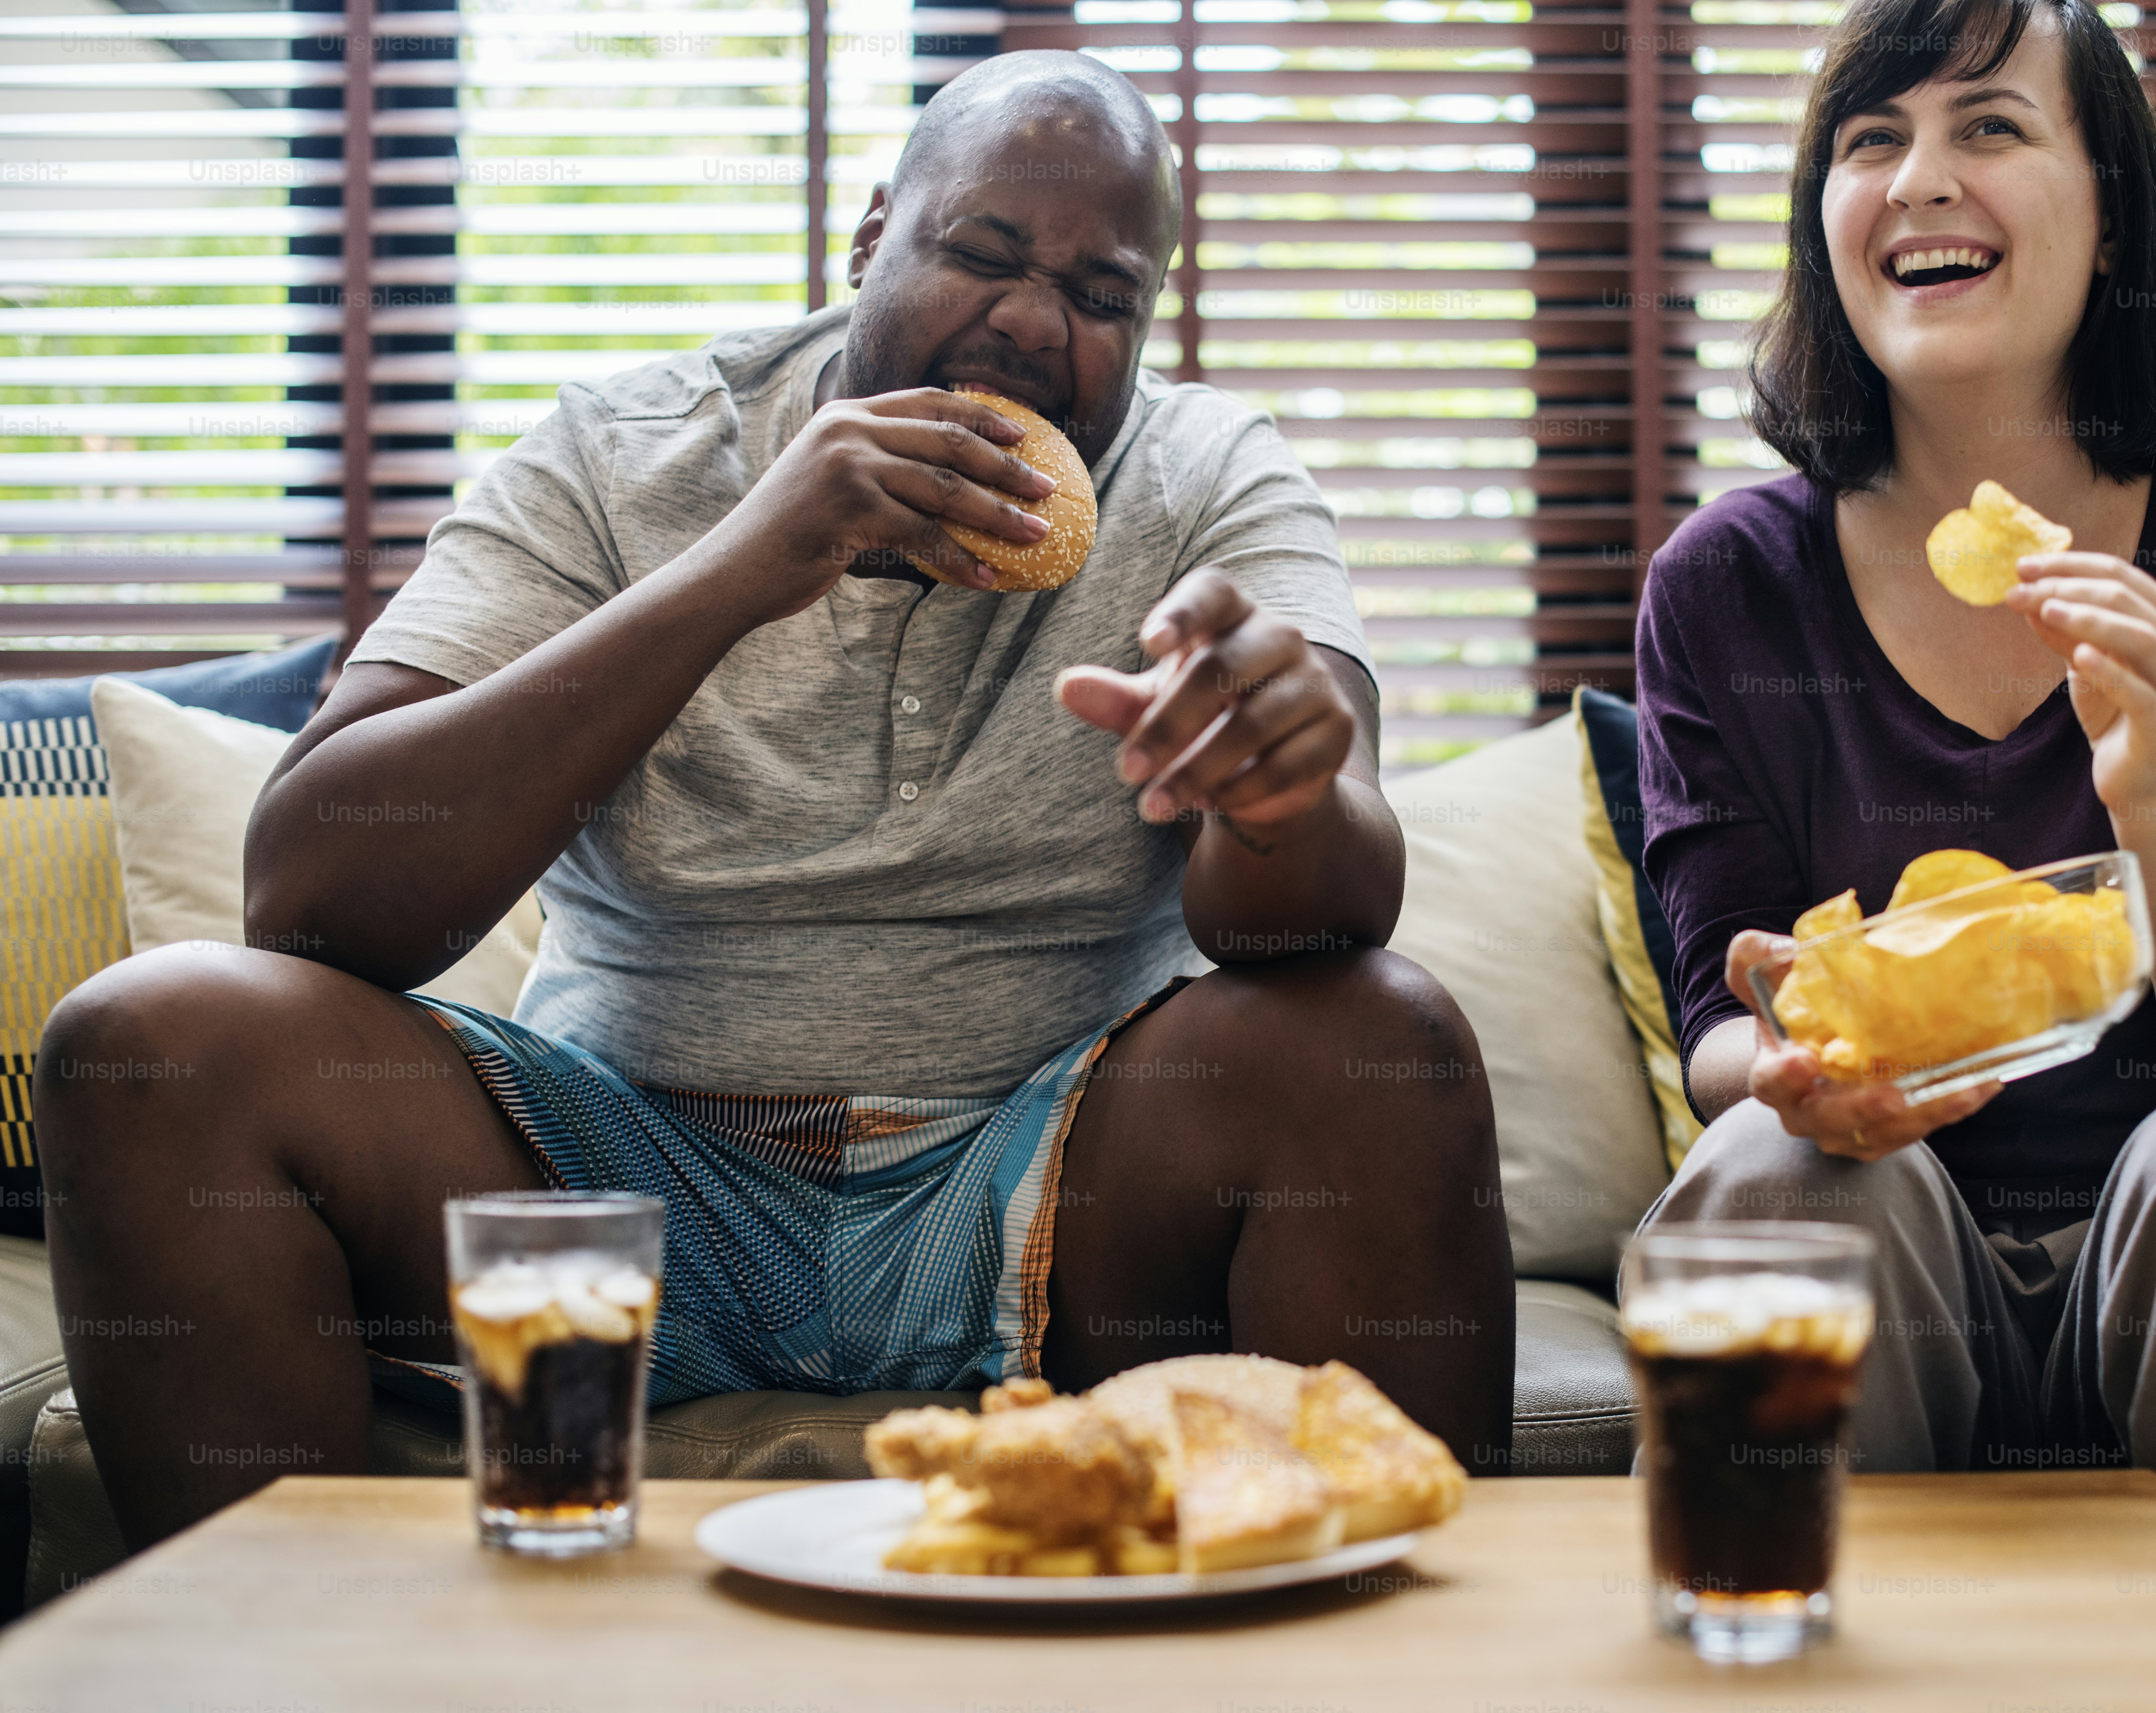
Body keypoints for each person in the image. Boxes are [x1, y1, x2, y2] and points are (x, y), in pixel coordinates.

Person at [36, 51, 1515, 1551]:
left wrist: (1276, 800)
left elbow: (1327, 914)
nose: (1025, 319)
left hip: (1059, 1183)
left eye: (1099, 294)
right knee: (150, 1042)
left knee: (1377, 1028)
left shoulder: (1206, 475)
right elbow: (311, 895)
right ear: (874, 237)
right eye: (981, 255)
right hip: (610, 1176)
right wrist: (743, 565)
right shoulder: (621, 453)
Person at [1631, 0, 2156, 1627]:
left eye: (1988, 129)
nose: (1917, 180)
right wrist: (1796, 1067)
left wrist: (2151, 787)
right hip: (1893, 1261)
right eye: (1870, 141)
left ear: (2111, 210)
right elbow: (1712, 1037)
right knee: (1766, 1163)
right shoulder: (1724, 589)